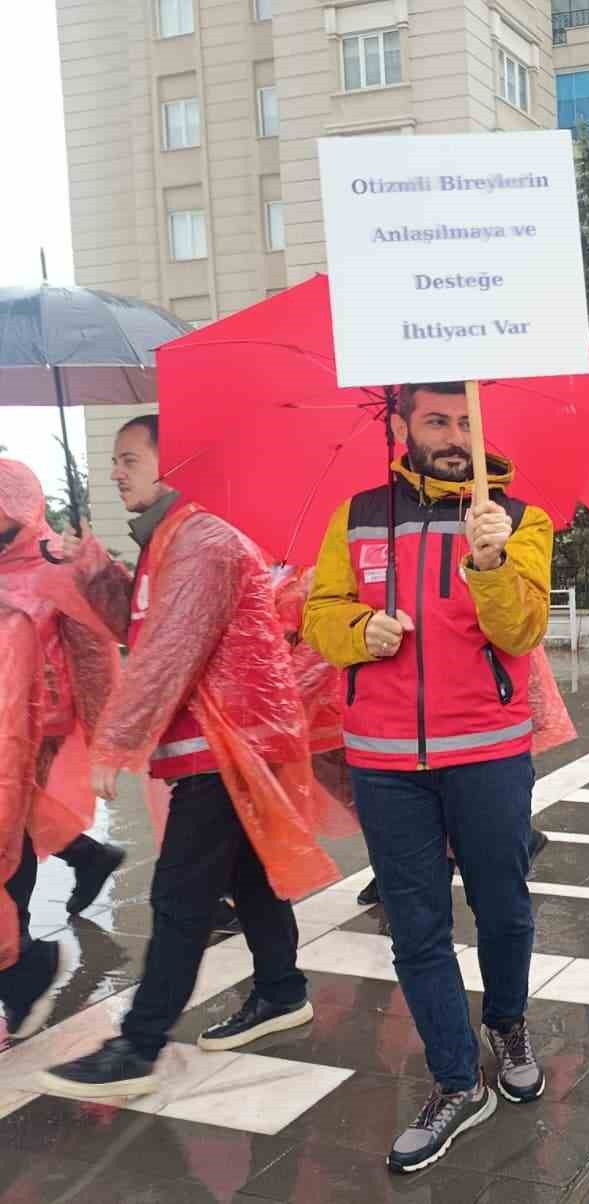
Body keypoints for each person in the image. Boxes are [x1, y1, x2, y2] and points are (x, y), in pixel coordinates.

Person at [39, 415, 338, 1097]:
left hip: (227, 744)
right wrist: (88, 563)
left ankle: (138, 1046)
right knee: (248, 875)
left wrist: (114, 743)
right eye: (114, 461)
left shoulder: (202, 539)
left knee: (180, 895)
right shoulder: (169, 541)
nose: (116, 473)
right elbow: (138, 625)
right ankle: (282, 991)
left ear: (174, 466)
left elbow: (171, 649)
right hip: (223, 741)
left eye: (129, 459)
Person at [300, 381, 553, 1174]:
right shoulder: (358, 515)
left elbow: (522, 628)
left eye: (465, 422)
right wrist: (356, 629)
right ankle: (454, 1081)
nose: (453, 435)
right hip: (384, 760)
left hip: (487, 750)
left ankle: (507, 1023)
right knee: (416, 930)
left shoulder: (518, 519)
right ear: (403, 426)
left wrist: (489, 563)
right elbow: (319, 611)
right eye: (437, 420)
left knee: (504, 910)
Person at [0, 460, 125, 1042]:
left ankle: (18, 957)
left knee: (13, 832)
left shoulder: (56, 559)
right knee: (16, 822)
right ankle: (21, 955)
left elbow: (96, 649)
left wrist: (108, 738)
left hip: (38, 720)